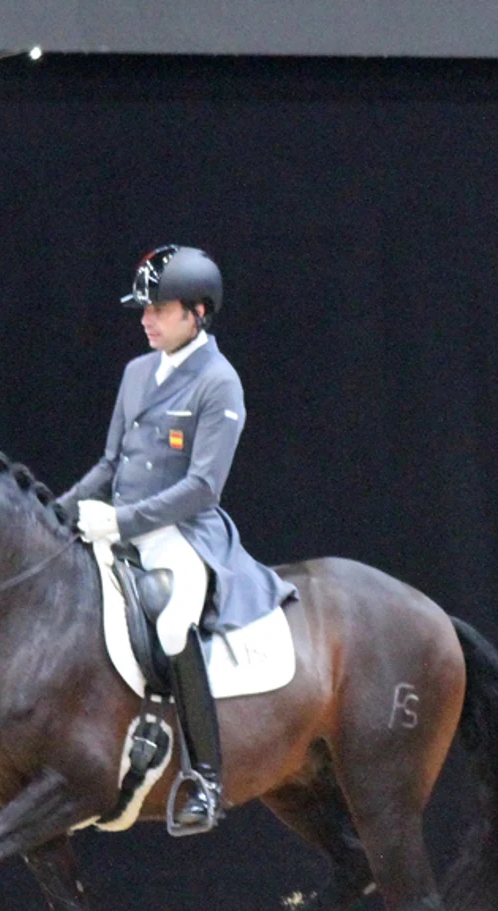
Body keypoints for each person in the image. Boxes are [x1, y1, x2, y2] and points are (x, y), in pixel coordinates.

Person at [57, 244, 296, 834]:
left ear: (196, 312)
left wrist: (121, 522)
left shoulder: (220, 383)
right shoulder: (137, 372)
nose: (146, 319)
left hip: (182, 534)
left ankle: (206, 780)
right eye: (145, 308)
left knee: (171, 623)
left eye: (159, 308)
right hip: (119, 525)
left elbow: (202, 489)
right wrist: (57, 511)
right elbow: (110, 464)